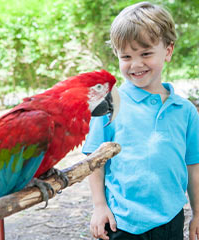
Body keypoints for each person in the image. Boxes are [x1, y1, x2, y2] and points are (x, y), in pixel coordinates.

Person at [82, 2, 199, 240]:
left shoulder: (185, 110)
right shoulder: (109, 104)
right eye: (126, 56)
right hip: (121, 222)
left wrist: (198, 212)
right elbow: (95, 160)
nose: (136, 64)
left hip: (170, 219)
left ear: (167, 51)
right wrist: (99, 206)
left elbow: (193, 165)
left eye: (145, 53)